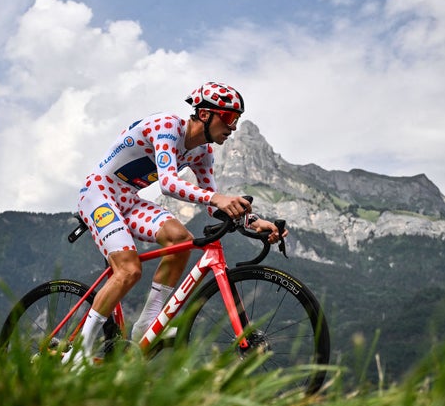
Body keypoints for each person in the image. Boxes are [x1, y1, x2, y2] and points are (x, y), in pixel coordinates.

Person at [68, 81, 286, 364]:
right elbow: (169, 184)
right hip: (98, 193)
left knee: (180, 241)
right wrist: (218, 198)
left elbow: (212, 206)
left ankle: (146, 326)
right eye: (229, 117)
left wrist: (255, 222)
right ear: (205, 114)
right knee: (129, 269)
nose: (233, 127)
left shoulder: (203, 153)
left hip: (128, 199)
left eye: (237, 120)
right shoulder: (167, 127)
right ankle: (78, 354)